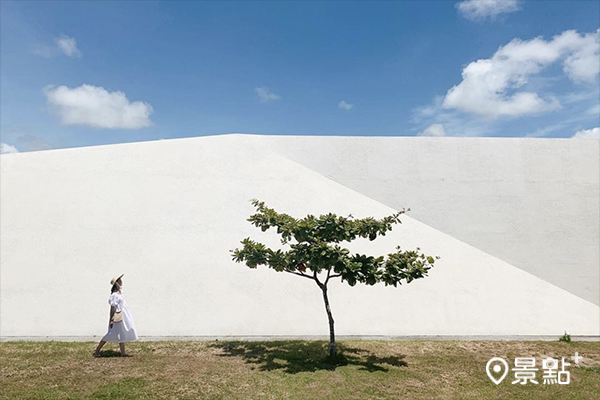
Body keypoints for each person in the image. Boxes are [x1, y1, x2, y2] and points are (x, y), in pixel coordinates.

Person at [93, 274, 138, 357]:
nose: (121, 281)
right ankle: (97, 350)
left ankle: (123, 352)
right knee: (111, 333)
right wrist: (111, 319)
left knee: (122, 332)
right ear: (116, 283)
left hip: (124, 315)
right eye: (119, 280)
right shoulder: (114, 295)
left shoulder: (121, 292)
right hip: (118, 315)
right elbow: (112, 308)